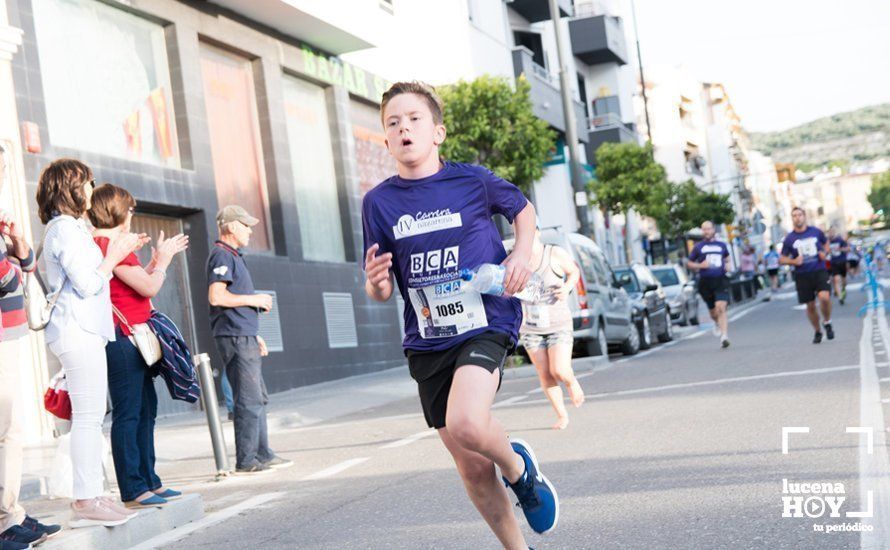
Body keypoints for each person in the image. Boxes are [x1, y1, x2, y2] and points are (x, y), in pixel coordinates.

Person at [362, 81, 557, 548]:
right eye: (393, 123)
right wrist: (376, 281)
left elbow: (523, 210)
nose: (403, 128)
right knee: (471, 464)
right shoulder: (378, 203)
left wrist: (522, 255)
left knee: (470, 423)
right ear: (386, 139)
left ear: (438, 132)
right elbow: (381, 289)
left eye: (414, 119)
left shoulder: (472, 180)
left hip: (485, 320)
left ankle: (519, 469)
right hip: (428, 337)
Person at [36, 159, 140, 527]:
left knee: (92, 418)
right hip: (75, 330)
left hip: (85, 330)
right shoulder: (62, 229)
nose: (92, 190)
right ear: (70, 188)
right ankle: (85, 500)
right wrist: (112, 256)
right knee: (88, 418)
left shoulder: (72, 228)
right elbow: (90, 283)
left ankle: (93, 494)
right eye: (88, 182)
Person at [88, 184, 189, 509]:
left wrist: (156, 260)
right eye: (130, 209)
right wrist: (164, 259)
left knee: (145, 409)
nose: (132, 215)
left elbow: (133, 286)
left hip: (132, 338)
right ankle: (133, 488)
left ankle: (149, 481)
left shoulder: (107, 243)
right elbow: (148, 286)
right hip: (123, 339)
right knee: (130, 413)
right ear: (117, 210)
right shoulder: (106, 243)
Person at [0, 147, 61, 548]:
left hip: (9, 334)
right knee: (8, 431)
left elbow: (25, 268)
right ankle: (7, 521)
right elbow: (7, 280)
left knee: (10, 430)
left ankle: (12, 515)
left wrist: (18, 244)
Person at [206, 205, 291, 474]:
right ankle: (247, 460)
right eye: (245, 225)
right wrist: (255, 300)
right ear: (231, 227)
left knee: (258, 397)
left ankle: (262, 453)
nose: (251, 230)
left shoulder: (233, 255)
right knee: (248, 399)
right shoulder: (222, 255)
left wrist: (254, 335)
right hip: (234, 337)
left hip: (245, 336)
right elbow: (216, 297)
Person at [518, 229, 584, 430]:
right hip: (530, 326)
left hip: (558, 322)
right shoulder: (515, 258)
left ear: (536, 232)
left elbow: (574, 271)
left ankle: (571, 381)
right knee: (545, 373)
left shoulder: (553, 253)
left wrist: (567, 287)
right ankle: (562, 415)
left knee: (559, 370)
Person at [780, 207, 833, 343]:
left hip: (819, 270)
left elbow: (826, 243)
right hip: (802, 274)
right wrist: (793, 261)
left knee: (824, 297)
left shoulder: (815, 232)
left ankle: (827, 321)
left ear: (805, 216)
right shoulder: (790, 238)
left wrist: (824, 253)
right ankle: (817, 331)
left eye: (799, 215)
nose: (797, 217)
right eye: (794, 216)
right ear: (792, 219)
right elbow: (781, 259)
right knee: (810, 305)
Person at [687, 221, 731, 348]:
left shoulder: (721, 245)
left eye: (708, 229)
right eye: (704, 229)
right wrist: (700, 265)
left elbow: (727, 258)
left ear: (713, 229)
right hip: (705, 282)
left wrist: (728, 265)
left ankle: (724, 336)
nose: (706, 231)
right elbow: (689, 263)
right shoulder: (698, 247)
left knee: (721, 307)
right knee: (713, 312)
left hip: (720, 279)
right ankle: (717, 323)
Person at [827, 227, 849, 305]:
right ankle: (840, 298)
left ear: (834, 232)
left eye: (832, 232)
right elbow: (825, 251)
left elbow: (847, 249)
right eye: (829, 232)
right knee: (836, 279)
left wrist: (841, 249)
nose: (831, 233)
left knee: (844, 281)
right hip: (834, 262)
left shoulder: (840, 240)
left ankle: (843, 288)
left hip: (842, 261)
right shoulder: (827, 242)